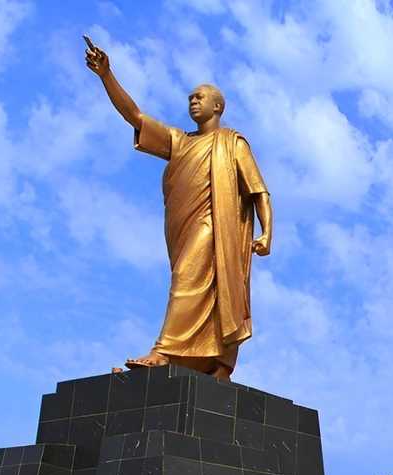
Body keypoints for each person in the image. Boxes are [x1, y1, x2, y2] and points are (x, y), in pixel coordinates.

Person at [85, 37, 273, 381]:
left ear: (218, 106)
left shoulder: (232, 143)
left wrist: (266, 233)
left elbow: (258, 190)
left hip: (217, 228)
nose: (193, 102)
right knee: (188, 279)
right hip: (181, 230)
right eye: (190, 98)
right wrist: (106, 75)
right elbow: (136, 116)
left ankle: (164, 351)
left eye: (199, 97)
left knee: (189, 279)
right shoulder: (180, 141)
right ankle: (208, 363)